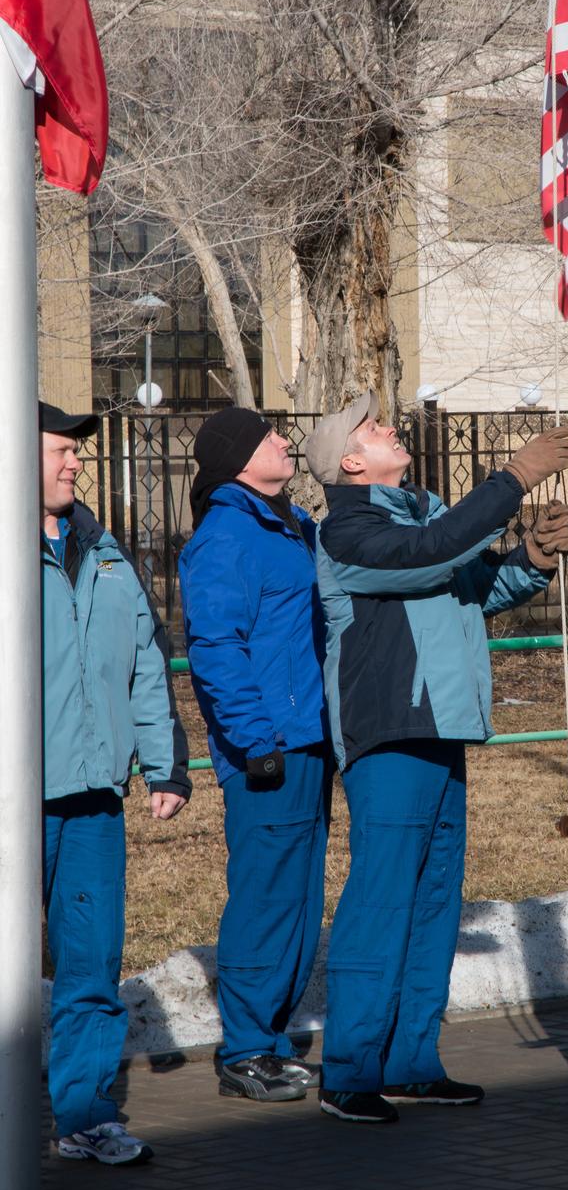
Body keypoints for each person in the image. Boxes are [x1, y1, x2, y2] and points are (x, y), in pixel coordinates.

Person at [304, 392, 568, 1123]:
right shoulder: (347, 531)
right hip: (390, 734)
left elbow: (470, 585)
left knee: (432, 904)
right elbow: (426, 558)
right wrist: (513, 478)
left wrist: (533, 557)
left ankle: (409, 1065)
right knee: (383, 900)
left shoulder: (419, 520)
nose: (390, 426)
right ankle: (349, 1073)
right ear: (351, 462)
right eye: (371, 426)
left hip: (439, 730)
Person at [41, 401, 191, 1167]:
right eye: (60, 450)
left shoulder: (105, 553)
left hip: (92, 799)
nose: (75, 463)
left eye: (76, 452)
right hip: (14, 805)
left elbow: (143, 663)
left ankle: (84, 1116)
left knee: (91, 965)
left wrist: (163, 764)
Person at [179, 408, 333, 1104]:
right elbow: (215, 647)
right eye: (270, 435)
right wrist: (254, 739)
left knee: (297, 897)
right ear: (240, 458)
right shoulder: (227, 534)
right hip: (267, 749)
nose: (285, 441)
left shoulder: (286, 523)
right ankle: (245, 1047)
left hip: (307, 739)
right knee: (266, 899)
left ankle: (270, 1038)